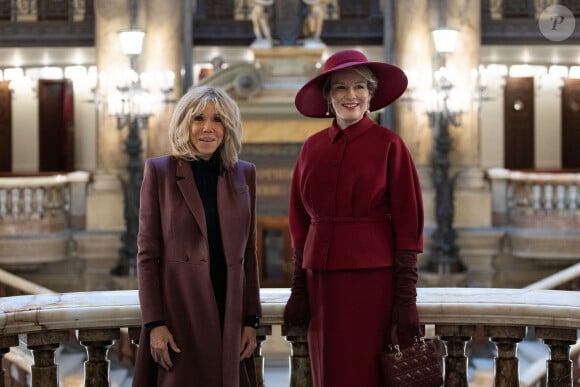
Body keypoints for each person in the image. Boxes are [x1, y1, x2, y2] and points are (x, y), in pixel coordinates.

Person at [284, 49, 424, 387]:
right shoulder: (311, 147)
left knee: (367, 373)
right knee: (328, 371)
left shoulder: (391, 145)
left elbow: (409, 223)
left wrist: (406, 299)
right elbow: (299, 221)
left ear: (371, 95)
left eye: (360, 86)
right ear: (328, 98)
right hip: (320, 280)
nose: (351, 96)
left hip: (374, 280)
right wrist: (298, 289)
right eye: (340, 88)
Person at [132, 86, 262, 387]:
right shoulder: (160, 172)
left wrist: (250, 321)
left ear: (227, 128)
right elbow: (147, 256)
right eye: (198, 119)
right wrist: (155, 324)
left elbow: (249, 254)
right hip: (180, 312)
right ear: (184, 124)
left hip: (228, 309)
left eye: (217, 120)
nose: (207, 128)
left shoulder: (245, 173)